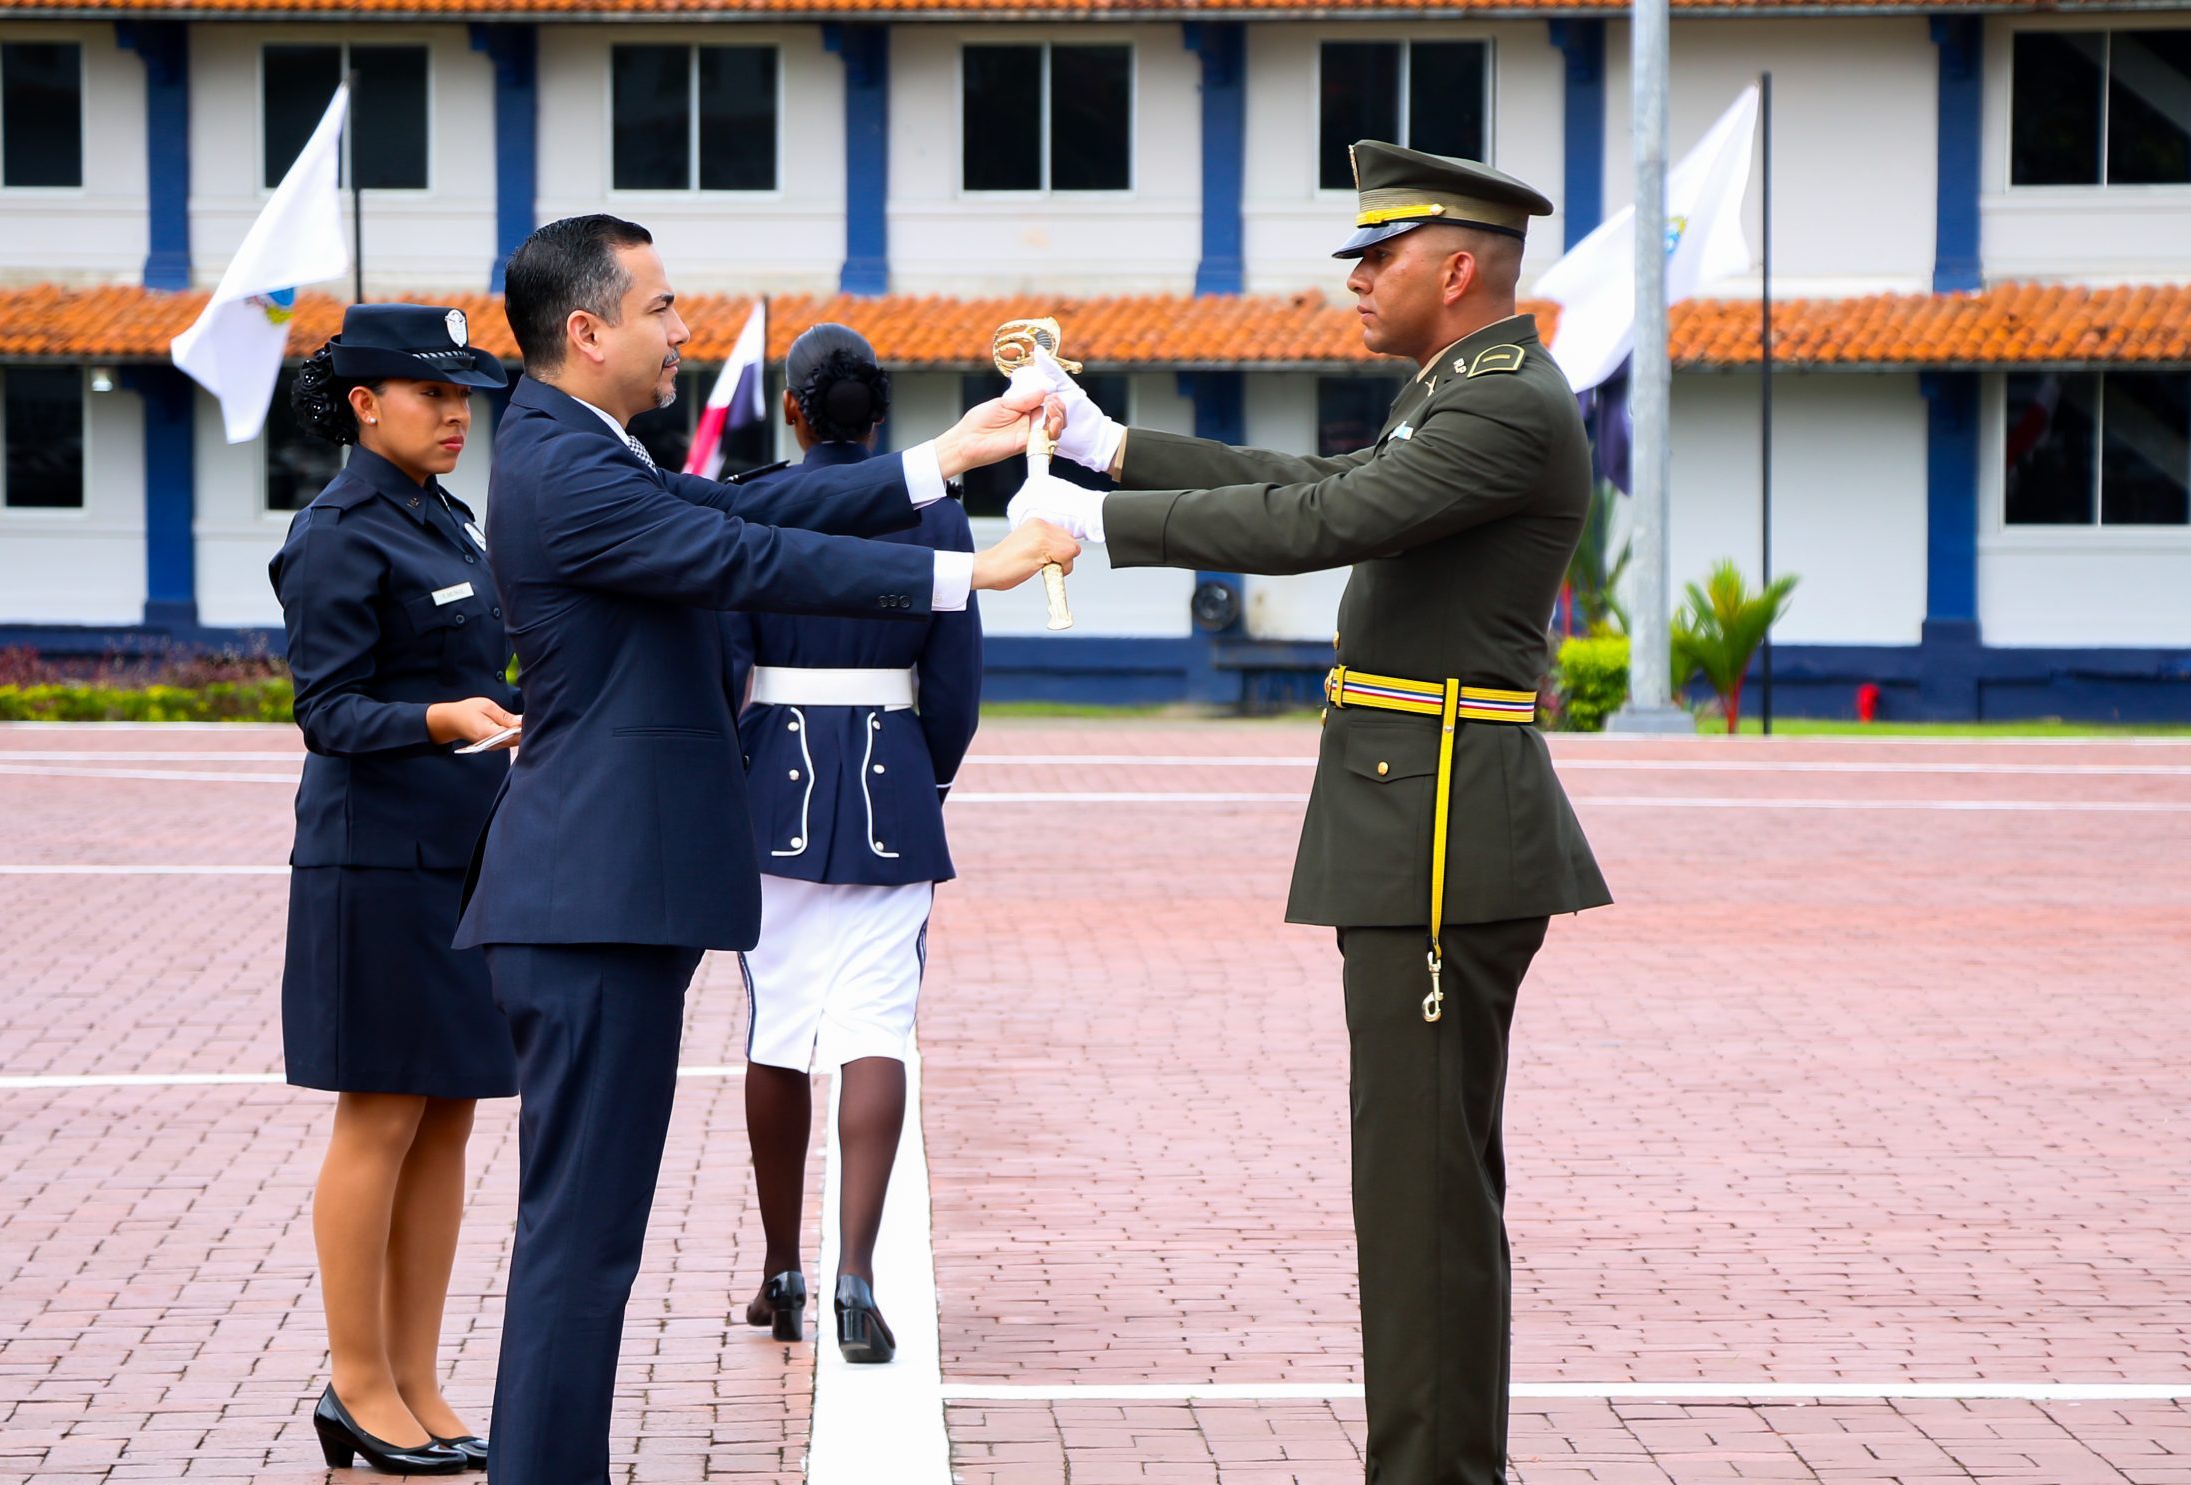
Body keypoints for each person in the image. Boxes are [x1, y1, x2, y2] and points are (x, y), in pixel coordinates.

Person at [1006, 144, 1615, 1485]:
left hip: (1440, 834)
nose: (1356, 279)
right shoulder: (1467, 391)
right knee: (1422, 1197)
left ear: (1456, 270)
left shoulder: (1504, 407)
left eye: (1379, 257)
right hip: (1418, 819)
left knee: (1421, 1205)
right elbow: (1308, 478)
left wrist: (1098, 526)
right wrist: (1111, 449)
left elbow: (1326, 517)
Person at [453, 214, 1075, 1485]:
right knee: (580, 1242)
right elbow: (744, 552)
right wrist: (969, 576)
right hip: (589, 900)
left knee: (589, 1239)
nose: (682, 328)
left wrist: (943, 458)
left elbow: (751, 500)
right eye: (660, 307)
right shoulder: (567, 465)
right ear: (588, 330)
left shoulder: (581, 445)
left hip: (604, 895)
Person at [269, 303, 525, 1476]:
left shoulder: (443, 518)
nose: (455, 413)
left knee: (449, 1115)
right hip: (373, 865)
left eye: (463, 395)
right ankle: (356, 1381)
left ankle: (415, 1378)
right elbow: (326, 710)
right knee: (378, 1115)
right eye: (433, 393)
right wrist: (438, 719)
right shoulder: (337, 532)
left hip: (462, 854)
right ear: (366, 405)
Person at [717, 325, 982, 1364]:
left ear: (793, 410)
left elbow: (724, 664)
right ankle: (855, 1278)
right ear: (880, 411)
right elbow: (953, 687)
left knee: (777, 1028)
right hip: (890, 781)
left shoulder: (755, 502)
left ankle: (782, 1268)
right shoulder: (937, 514)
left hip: (772, 784)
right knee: (875, 1028)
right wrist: (927, 781)